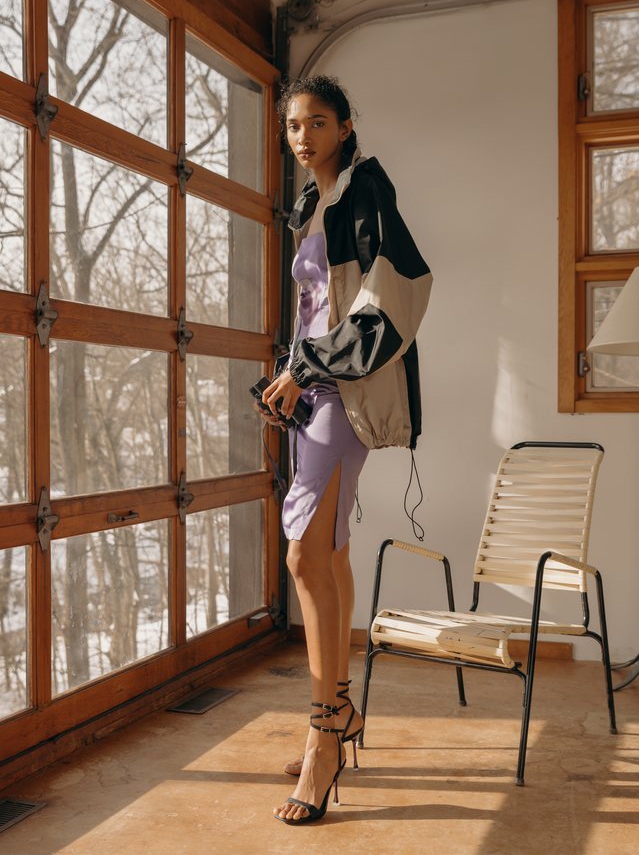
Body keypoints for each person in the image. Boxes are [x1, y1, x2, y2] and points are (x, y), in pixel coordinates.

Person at [260, 75, 432, 824]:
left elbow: (395, 290)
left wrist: (306, 368)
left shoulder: (365, 190)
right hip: (309, 388)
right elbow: (310, 304)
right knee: (327, 551)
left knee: (303, 555)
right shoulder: (312, 202)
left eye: (318, 123)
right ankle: (339, 708)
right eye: (294, 125)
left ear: (346, 125)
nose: (304, 136)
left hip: (340, 388)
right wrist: (288, 375)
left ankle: (325, 733)